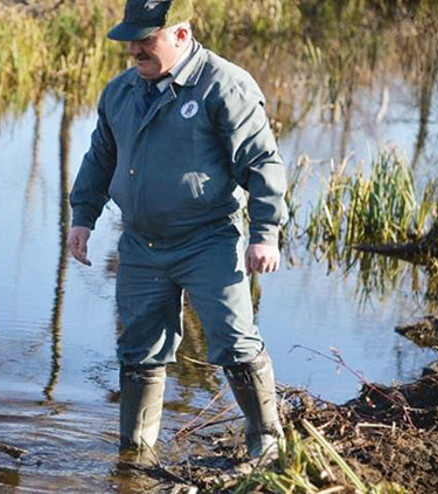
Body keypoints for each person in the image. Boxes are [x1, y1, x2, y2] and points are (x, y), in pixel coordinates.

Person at [67, 0, 287, 460]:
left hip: (207, 239)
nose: (135, 50)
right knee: (139, 349)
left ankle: (267, 441)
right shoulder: (120, 92)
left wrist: (265, 232)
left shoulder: (224, 85)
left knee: (233, 339)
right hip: (142, 245)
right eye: (132, 40)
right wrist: (83, 217)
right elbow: (100, 157)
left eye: (146, 40)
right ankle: (135, 453)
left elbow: (262, 161)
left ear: (181, 36)